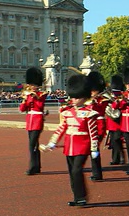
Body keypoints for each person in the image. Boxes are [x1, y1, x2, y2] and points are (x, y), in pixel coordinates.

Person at [42, 74, 100, 207]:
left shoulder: (89, 113)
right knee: (72, 172)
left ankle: (81, 197)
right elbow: (60, 129)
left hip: (83, 145)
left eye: (77, 97)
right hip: (70, 146)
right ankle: (77, 196)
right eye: (73, 97)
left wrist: (94, 148)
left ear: (84, 97)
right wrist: (52, 142)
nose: (74, 100)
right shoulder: (67, 112)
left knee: (76, 170)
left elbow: (93, 132)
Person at [19, 67, 47, 176]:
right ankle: (37, 166)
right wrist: (25, 99)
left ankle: (32, 167)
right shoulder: (28, 95)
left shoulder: (41, 95)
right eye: (31, 85)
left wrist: (32, 97)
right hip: (30, 121)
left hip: (37, 120)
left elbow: (40, 106)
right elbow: (22, 109)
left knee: (32, 145)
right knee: (34, 144)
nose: (32, 87)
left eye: (34, 85)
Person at [86, 71, 106, 181]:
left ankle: (97, 173)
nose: (93, 92)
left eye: (94, 90)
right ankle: (95, 171)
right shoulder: (88, 99)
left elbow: (100, 110)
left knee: (95, 148)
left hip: (99, 125)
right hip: (89, 125)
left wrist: (94, 102)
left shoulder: (103, 99)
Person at [107, 75, 125, 166]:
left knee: (117, 139)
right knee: (113, 141)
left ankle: (121, 156)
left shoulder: (122, 96)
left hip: (119, 121)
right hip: (111, 120)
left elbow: (122, 106)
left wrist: (117, 102)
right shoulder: (110, 95)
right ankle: (115, 159)